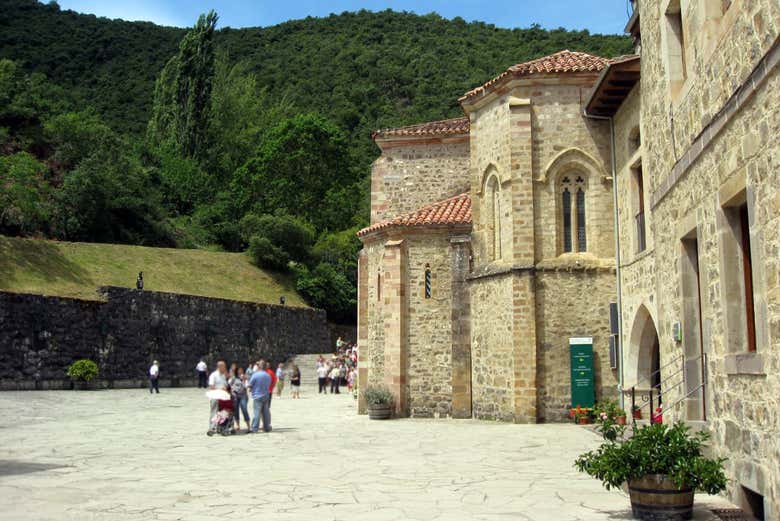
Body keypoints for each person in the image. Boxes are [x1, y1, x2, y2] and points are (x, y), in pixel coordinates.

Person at [247, 361, 272, 433]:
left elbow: (250, 385)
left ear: (259, 366)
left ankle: (254, 428)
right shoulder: (268, 375)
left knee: (257, 413)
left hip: (257, 396)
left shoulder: (255, 375)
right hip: (266, 395)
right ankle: (266, 427)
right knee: (265, 412)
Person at [207, 361, 228, 433]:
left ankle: (220, 428)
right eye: (224, 366)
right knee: (214, 412)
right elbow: (211, 386)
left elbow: (225, 384)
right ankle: (212, 428)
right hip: (215, 397)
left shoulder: (223, 376)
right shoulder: (213, 375)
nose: (225, 368)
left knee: (222, 413)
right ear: (220, 367)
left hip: (223, 397)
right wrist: (220, 389)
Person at [230, 367, 249, 432]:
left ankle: (248, 426)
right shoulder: (233, 378)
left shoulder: (245, 378)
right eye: (239, 370)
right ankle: (238, 425)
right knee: (236, 411)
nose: (240, 371)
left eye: (241, 370)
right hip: (235, 396)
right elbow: (229, 384)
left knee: (244, 410)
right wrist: (232, 390)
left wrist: (244, 380)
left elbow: (246, 386)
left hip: (243, 396)